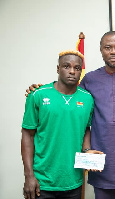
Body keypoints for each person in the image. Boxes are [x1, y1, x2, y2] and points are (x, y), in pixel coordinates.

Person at [26, 31, 115, 199]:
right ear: (100, 50)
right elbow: (69, 96)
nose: (113, 52)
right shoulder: (89, 80)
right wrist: (38, 90)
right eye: (108, 47)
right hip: (100, 165)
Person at [21, 50, 94, 199]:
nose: (72, 71)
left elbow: (86, 128)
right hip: (42, 182)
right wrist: (29, 176)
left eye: (77, 68)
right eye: (66, 66)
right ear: (58, 69)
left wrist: (87, 150)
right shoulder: (38, 94)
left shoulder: (87, 99)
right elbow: (27, 135)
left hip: (73, 180)